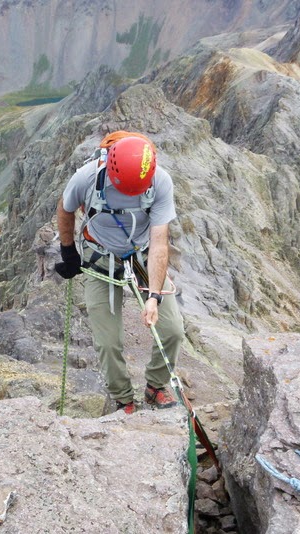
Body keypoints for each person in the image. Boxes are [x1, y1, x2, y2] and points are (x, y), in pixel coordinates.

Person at [55, 131, 184, 414]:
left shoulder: (160, 182)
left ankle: (155, 387)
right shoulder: (87, 178)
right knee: (108, 342)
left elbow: (160, 242)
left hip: (141, 254)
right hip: (100, 256)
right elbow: (65, 210)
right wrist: (68, 252)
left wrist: (154, 296)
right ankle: (123, 399)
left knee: (172, 330)